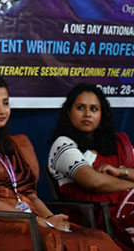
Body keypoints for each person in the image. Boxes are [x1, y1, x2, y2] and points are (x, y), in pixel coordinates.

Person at [0, 75, 118, 250]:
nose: (2, 110)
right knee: (66, 243)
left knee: (98, 238)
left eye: (6, 103)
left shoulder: (10, 145)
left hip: (31, 219)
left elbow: (31, 195)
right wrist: (38, 220)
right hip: (0, 227)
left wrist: (51, 218)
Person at [49, 82, 134, 250]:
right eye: (80, 108)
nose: (87, 114)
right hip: (97, 220)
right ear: (69, 112)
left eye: (94, 109)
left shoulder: (117, 144)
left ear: (102, 114)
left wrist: (121, 172)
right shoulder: (63, 144)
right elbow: (94, 182)